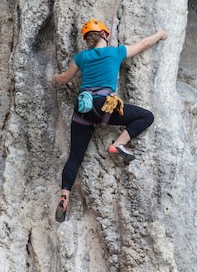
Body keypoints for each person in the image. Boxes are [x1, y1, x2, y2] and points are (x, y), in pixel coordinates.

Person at [52, 18, 167, 222]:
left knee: (75, 157)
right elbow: (143, 45)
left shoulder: (81, 57)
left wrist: (54, 78)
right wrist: (160, 34)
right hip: (105, 106)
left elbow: (65, 79)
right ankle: (118, 144)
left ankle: (64, 197)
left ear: (87, 40)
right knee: (146, 116)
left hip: (83, 108)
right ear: (105, 34)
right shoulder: (116, 52)